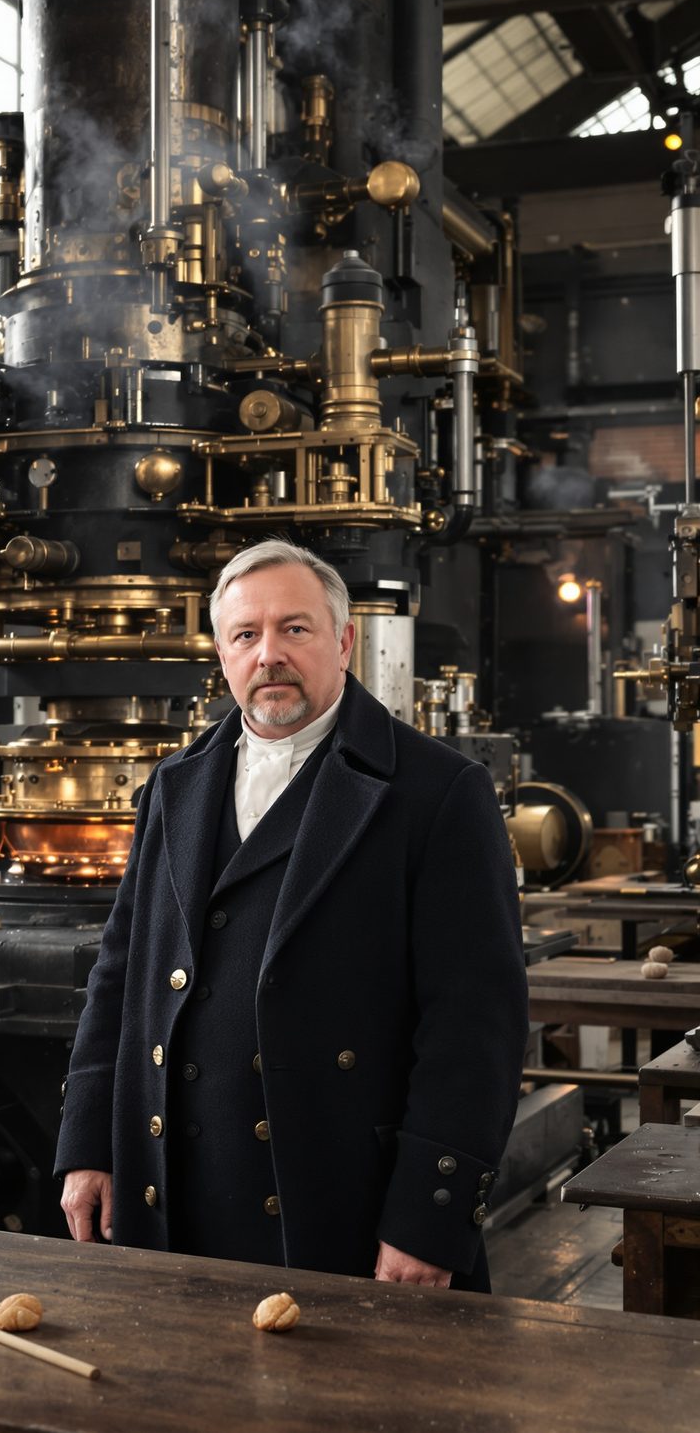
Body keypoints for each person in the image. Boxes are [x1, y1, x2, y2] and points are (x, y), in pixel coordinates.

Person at [54, 538, 528, 1290]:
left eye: (294, 629)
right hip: (170, 1197)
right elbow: (119, 976)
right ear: (221, 651)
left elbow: (475, 1028)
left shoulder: (439, 793)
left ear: (343, 641)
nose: (268, 653)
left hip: (345, 1211)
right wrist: (88, 1143)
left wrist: (427, 1222)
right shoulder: (172, 786)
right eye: (246, 635)